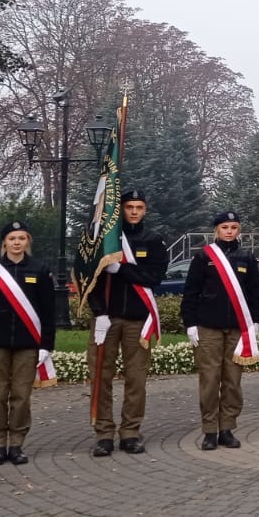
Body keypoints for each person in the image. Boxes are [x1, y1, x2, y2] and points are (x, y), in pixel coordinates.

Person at [0, 220, 56, 466]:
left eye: (21, 238)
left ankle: (17, 444)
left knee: (21, 396)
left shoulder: (40, 270)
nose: (17, 243)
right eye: (12, 238)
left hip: (28, 345)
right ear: (4, 242)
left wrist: (45, 346)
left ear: (28, 241)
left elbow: (48, 312)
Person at [87, 189, 166, 456]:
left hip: (137, 320)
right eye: (129, 206)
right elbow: (91, 280)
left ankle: (131, 432)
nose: (134, 211)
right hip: (106, 319)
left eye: (139, 207)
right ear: (120, 209)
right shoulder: (106, 240)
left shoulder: (153, 240)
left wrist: (122, 269)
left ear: (145, 210)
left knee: (136, 379)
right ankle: (104, 434)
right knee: (101, 377)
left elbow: (153, 277)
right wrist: (98, 312)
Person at [182, 210, 259, 450]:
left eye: (233, 227)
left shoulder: (247, 258)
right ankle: (209, 430)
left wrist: (256, 320)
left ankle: (227, 429)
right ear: (217, 230)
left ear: (238, 230)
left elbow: (255, 293)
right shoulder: (204, 257)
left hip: (237, 330)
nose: (229, 231)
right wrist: (190, 323)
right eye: (225, 227)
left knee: (232, 381)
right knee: (209, 381)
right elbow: (191, 292)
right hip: (208, 328)